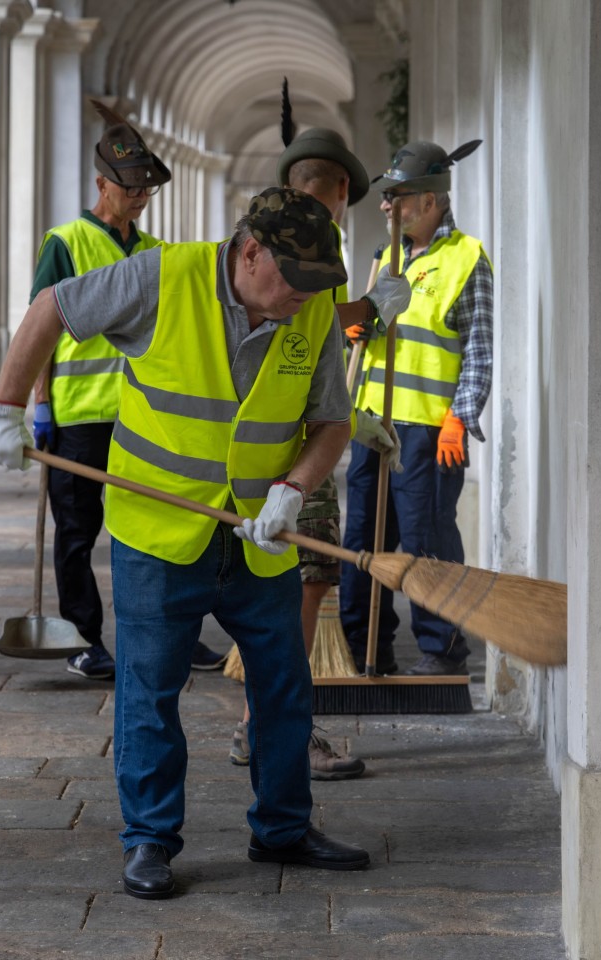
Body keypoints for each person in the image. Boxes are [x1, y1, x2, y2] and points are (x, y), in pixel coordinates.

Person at [0, 187, 379, 899]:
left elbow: (332, 422)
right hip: (159, 536)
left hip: (258, 537)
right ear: (251, 252)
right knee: (149, 692)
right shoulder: (164, 277)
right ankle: (150, 842)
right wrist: (8, 404)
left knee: (283, 687)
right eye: (294, 281)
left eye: (317, 286)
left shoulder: (310, 308)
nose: (304, 299)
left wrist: (293, 487)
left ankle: (283, 829)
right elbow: (53, 309)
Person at [229, 128, 407, 778]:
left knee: (300, 582)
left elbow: (319, 353)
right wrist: (372, 308)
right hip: (283, 447)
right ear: (331, 187)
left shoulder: (280, 234)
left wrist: (352, 420)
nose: (340, 209)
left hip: (300, 431)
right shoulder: (297, 243)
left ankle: (270, 720)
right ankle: (271, 725)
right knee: (297, 585)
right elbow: (304, 323)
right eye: (341, 197)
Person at [30, 107, 224, 680]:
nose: (139, 198)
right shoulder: (64, 243)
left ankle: (177, 634)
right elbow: (40, 322)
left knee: (161, 530)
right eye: (129, 188)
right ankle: (83, 638)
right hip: (79, 416)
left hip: (145, 418)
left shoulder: (157, 252)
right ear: (101, 184)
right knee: (76, 532)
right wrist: (39, 404)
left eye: (145, 189)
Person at [340, 140, 493, 677]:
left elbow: (477, 346)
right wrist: (356, 329)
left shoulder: (466, 259)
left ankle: (443, 649)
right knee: (363, 538)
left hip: (428, 431)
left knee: (426, 540)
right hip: (371, 426)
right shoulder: (388, 259)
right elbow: (375, 337)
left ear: (430, 201)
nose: (385, 207)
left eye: (397, 198)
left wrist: (461, 415)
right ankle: (364, 645)